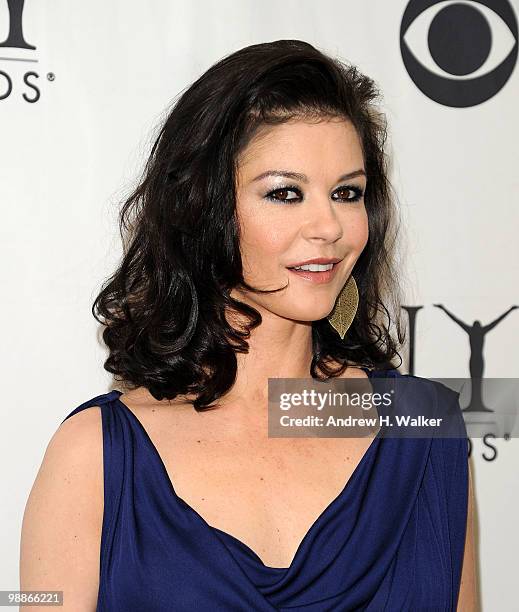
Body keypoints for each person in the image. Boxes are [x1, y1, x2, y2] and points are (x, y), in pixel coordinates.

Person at [20, 39, 477, 610]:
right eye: (285, 193)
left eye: (347, 193)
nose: (329, 225)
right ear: (203, 208)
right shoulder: (94, 453)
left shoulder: (423, 427)